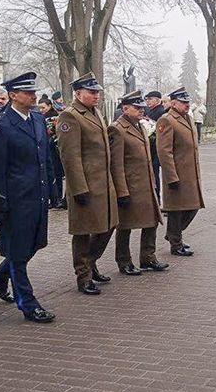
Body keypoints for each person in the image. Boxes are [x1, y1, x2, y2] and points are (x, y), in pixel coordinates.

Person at [0, 72, 56, 323]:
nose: (34, 96)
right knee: (17, 252)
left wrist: (53, 190)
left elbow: (44, 158)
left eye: (34, 92)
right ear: (13, 95)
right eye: (28, 92)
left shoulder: (37, 119)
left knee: (34, 244)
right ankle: (27, 303)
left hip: (37, 196)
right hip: (15, 201)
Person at [57, 73, 119, 295]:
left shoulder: (96, 113)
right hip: (86, 185)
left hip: (104, 184)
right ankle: (83, 276)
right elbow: (70, 157)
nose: (96, 96)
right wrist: (79, 188)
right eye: (92, 92)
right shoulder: (70, 116)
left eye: (97, 92)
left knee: (108, 225)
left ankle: (91, 263)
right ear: (78, 93)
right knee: (84, 232)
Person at [109, 91, 169, 275]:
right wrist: (122, 191)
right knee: (125, 225)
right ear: (125, 108)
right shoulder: (117, 129)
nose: (141, 110)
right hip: (130, 186)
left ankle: (148, 257)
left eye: (142, 107)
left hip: (146, 185)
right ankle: (124, 261)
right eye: (137, 108)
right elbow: (116, 164)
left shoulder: (140, 127)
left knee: (151, 221)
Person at [156, 87, 205, 256]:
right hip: (176, 173)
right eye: (183, 102)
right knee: (176, 209)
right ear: (174, 103)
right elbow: (164, 151)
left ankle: (173, 235)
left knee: (193, 206)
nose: (187, 105)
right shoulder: (167, 120)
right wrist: (171, 176)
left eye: (187, 102)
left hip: (190, 173)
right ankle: (176, 243)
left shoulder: (188, 119)